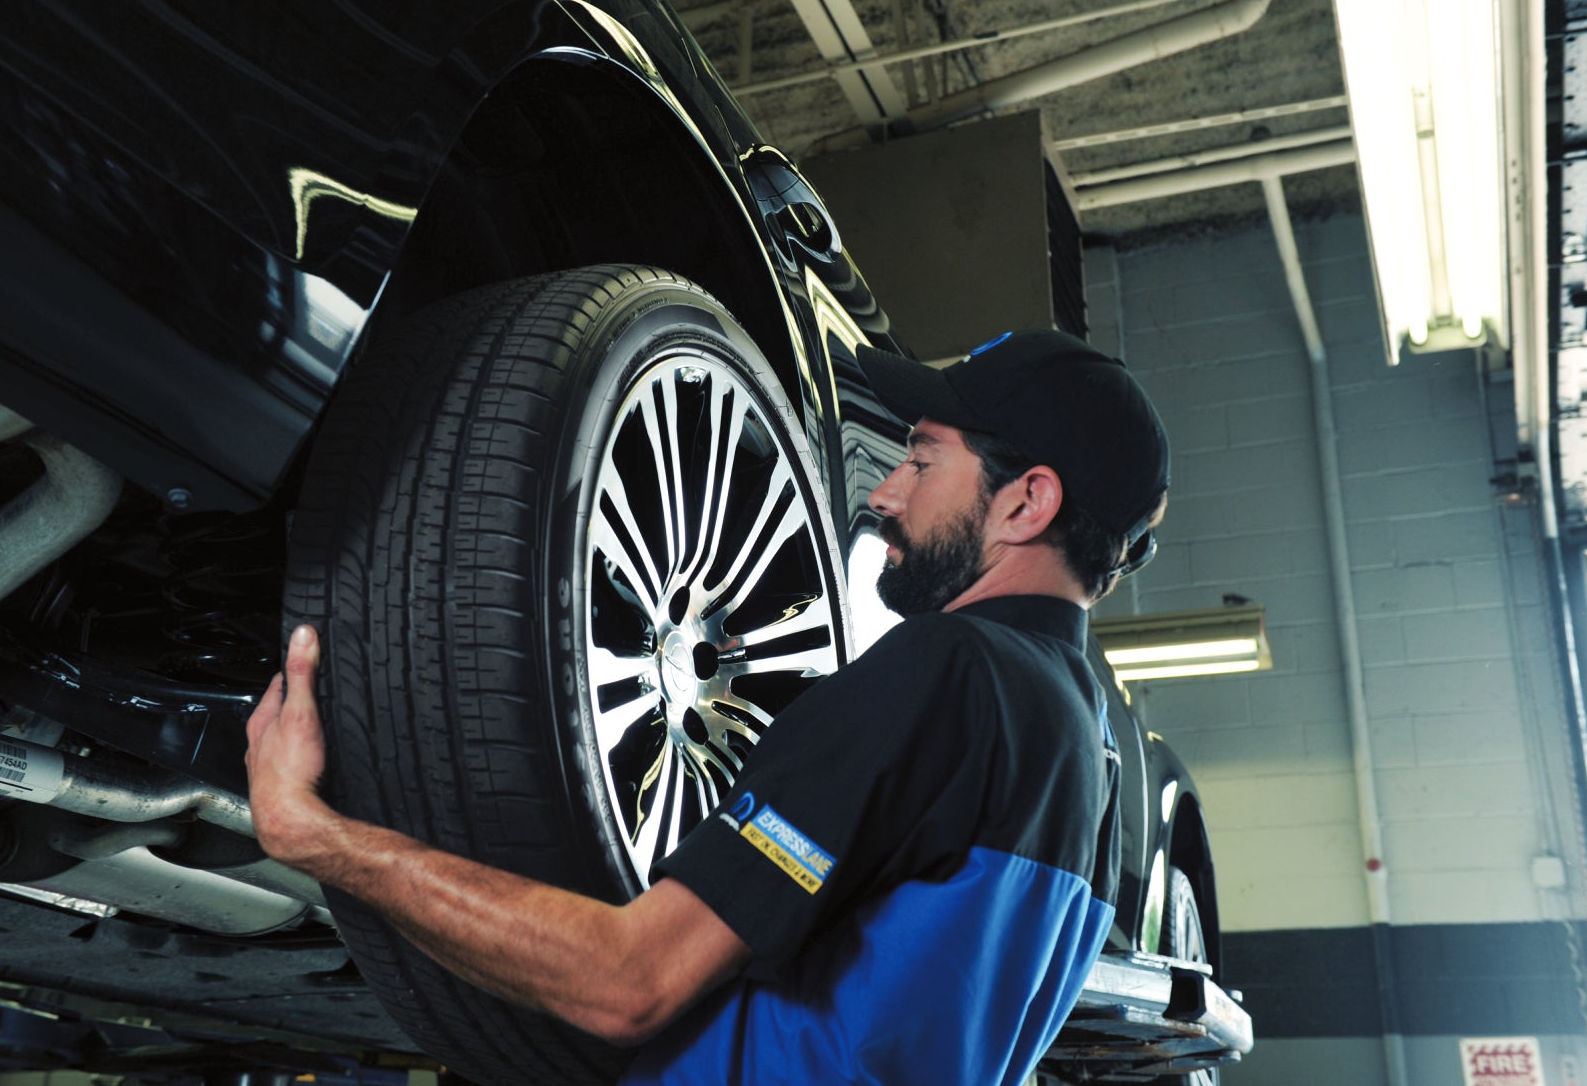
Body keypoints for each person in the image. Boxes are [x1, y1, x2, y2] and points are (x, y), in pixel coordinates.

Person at [245, 328, 1170, 1086]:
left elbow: (628, 982)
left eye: (923, 462)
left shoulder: (951, 668)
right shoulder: (1084, 750)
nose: (884, 494)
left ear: (1027, 502)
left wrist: (313, 833)